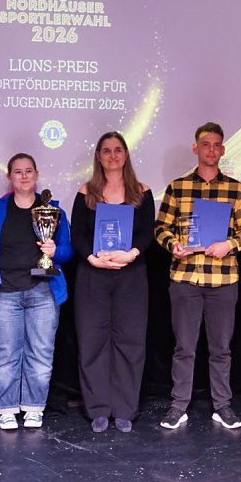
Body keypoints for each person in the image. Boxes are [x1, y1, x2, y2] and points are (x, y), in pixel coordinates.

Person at [154, 122, 241, 429]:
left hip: (223, 280)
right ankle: (179, 405)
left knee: (221, 349)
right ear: (195, 148)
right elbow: (161, 228)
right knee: (184, 347)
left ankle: (222, 405)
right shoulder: (178, 186)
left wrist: (229, 244)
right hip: (185, 278)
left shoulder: (236, 189)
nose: (211, 150)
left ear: (222, 150)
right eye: (205, 144)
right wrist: (174, 245)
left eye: (216, 145)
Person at [0, 153, 74, 429]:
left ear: (37, 174)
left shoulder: (54, 210)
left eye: (29, 170)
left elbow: (68, 250)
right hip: (3, 293)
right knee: (6, 354)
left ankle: (33, 407)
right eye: (17, 172)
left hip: (42, 292)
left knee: (40, 352)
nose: (24, 176)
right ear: (9, 177)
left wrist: (56, 251)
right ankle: (6, 408)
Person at [70, 132, 154, 433]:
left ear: (126, 154)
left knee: (130, 342)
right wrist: (92, 258)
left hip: (130, 275)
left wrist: (131, 253)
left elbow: (147, 232)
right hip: (93, 274)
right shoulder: (86, 192)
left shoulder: (141, 192)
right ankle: (98, 409)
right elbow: (77, 234)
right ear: (98, 156)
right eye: (106, 150)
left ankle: (125, 409)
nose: (113, 155)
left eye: (118, 150)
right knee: (93, 342)